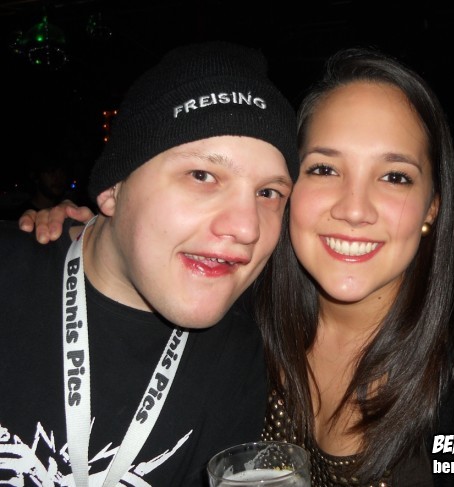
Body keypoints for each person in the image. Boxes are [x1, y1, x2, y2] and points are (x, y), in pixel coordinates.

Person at [19, 47, 454, 486]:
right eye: (324, 169)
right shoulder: (235, 307)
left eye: (395, 177)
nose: (354, 209)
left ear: (432, 207)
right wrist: (89, 230)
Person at [1, 40, 299, 487]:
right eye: (202, 175)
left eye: (268, 192)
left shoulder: (239, 360)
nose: (246, 227)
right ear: (112, 190)